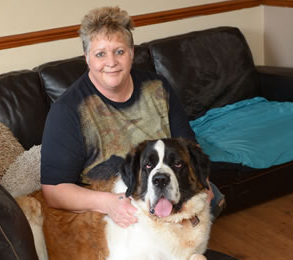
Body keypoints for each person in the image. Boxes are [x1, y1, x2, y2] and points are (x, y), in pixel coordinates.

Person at [41, 6, 224, 228]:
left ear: (132, 53)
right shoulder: (68, 111)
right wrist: (108, 204)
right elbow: (53, 190)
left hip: (163, 185)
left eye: (119, 51)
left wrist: (202, 182)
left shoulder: (158, 87)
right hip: (112, 200)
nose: (111, 62)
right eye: (100, 54)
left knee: (212, 197)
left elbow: (188, 146)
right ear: (87, 58)